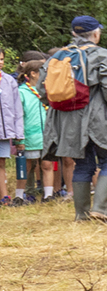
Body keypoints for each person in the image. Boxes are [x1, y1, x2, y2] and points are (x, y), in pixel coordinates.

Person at [45, 16, 107, 224]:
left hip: (68, 119)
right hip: (97, 115)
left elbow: (42, 90)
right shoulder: (101, 54)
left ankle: (81, 215)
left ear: (74, 33)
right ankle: (100, 208)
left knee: (82, 164)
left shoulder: (58, 55)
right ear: (96, 34)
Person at [16, 54, 48, 203]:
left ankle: (48, 195)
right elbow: (19, 117)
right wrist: (20, 138)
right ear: (33, 74)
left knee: (47, 164)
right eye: (42, 72)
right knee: (28, 165)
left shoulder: (46, 91)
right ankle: (20, 195)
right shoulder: (22, 92)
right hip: (30, 136)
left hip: (46, 136)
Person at [0, 45, 20, 207]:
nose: (0, 62)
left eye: (1, 59)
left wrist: (18, 134)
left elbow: (17, 109)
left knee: (1, 164)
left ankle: (5, 197)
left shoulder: (9, 80)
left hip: (4, 132)